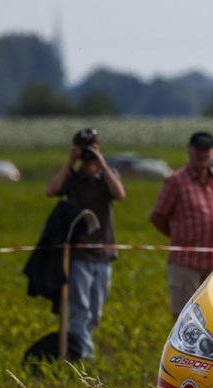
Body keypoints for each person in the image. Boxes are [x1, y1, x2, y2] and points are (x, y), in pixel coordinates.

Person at [44, 127, 126, 359]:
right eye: (85, 149)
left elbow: (119, 194)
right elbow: (50, 191)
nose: (88, 154)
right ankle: (83, 355)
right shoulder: (71, 178)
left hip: (103, 254)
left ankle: (78, 348)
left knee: (95, 312)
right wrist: (70, 163)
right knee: (79, 309)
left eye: (92, 147)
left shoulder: (107, 177)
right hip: (79, 255)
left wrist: (101, 162)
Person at [150, 131, 213, 318]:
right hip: (186, 264)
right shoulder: (175, 181)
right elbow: (157, 216)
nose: (202, 154)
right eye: (198, 150)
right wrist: (179, 236)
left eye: (206, 150)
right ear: (190, 151)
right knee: (185, 318)